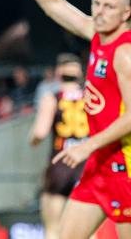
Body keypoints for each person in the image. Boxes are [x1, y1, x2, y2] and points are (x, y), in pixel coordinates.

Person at [6, 0, 131, 239]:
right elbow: (54, 5)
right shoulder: (96, 34)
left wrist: (88, 144)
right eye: (97, 4)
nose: (100, 12)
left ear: (127, 12)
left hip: (128, 165)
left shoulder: (127, 53)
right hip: (100, 163)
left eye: (109, 7)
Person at [29, 53, 88, 239]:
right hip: (86, 167)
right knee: (89, 229)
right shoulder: (91, 98)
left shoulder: (53, 97)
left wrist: (32, 140)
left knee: (53, 229)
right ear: (79, 74)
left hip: (60, 165)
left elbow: (40, 133)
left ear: (58, 73)